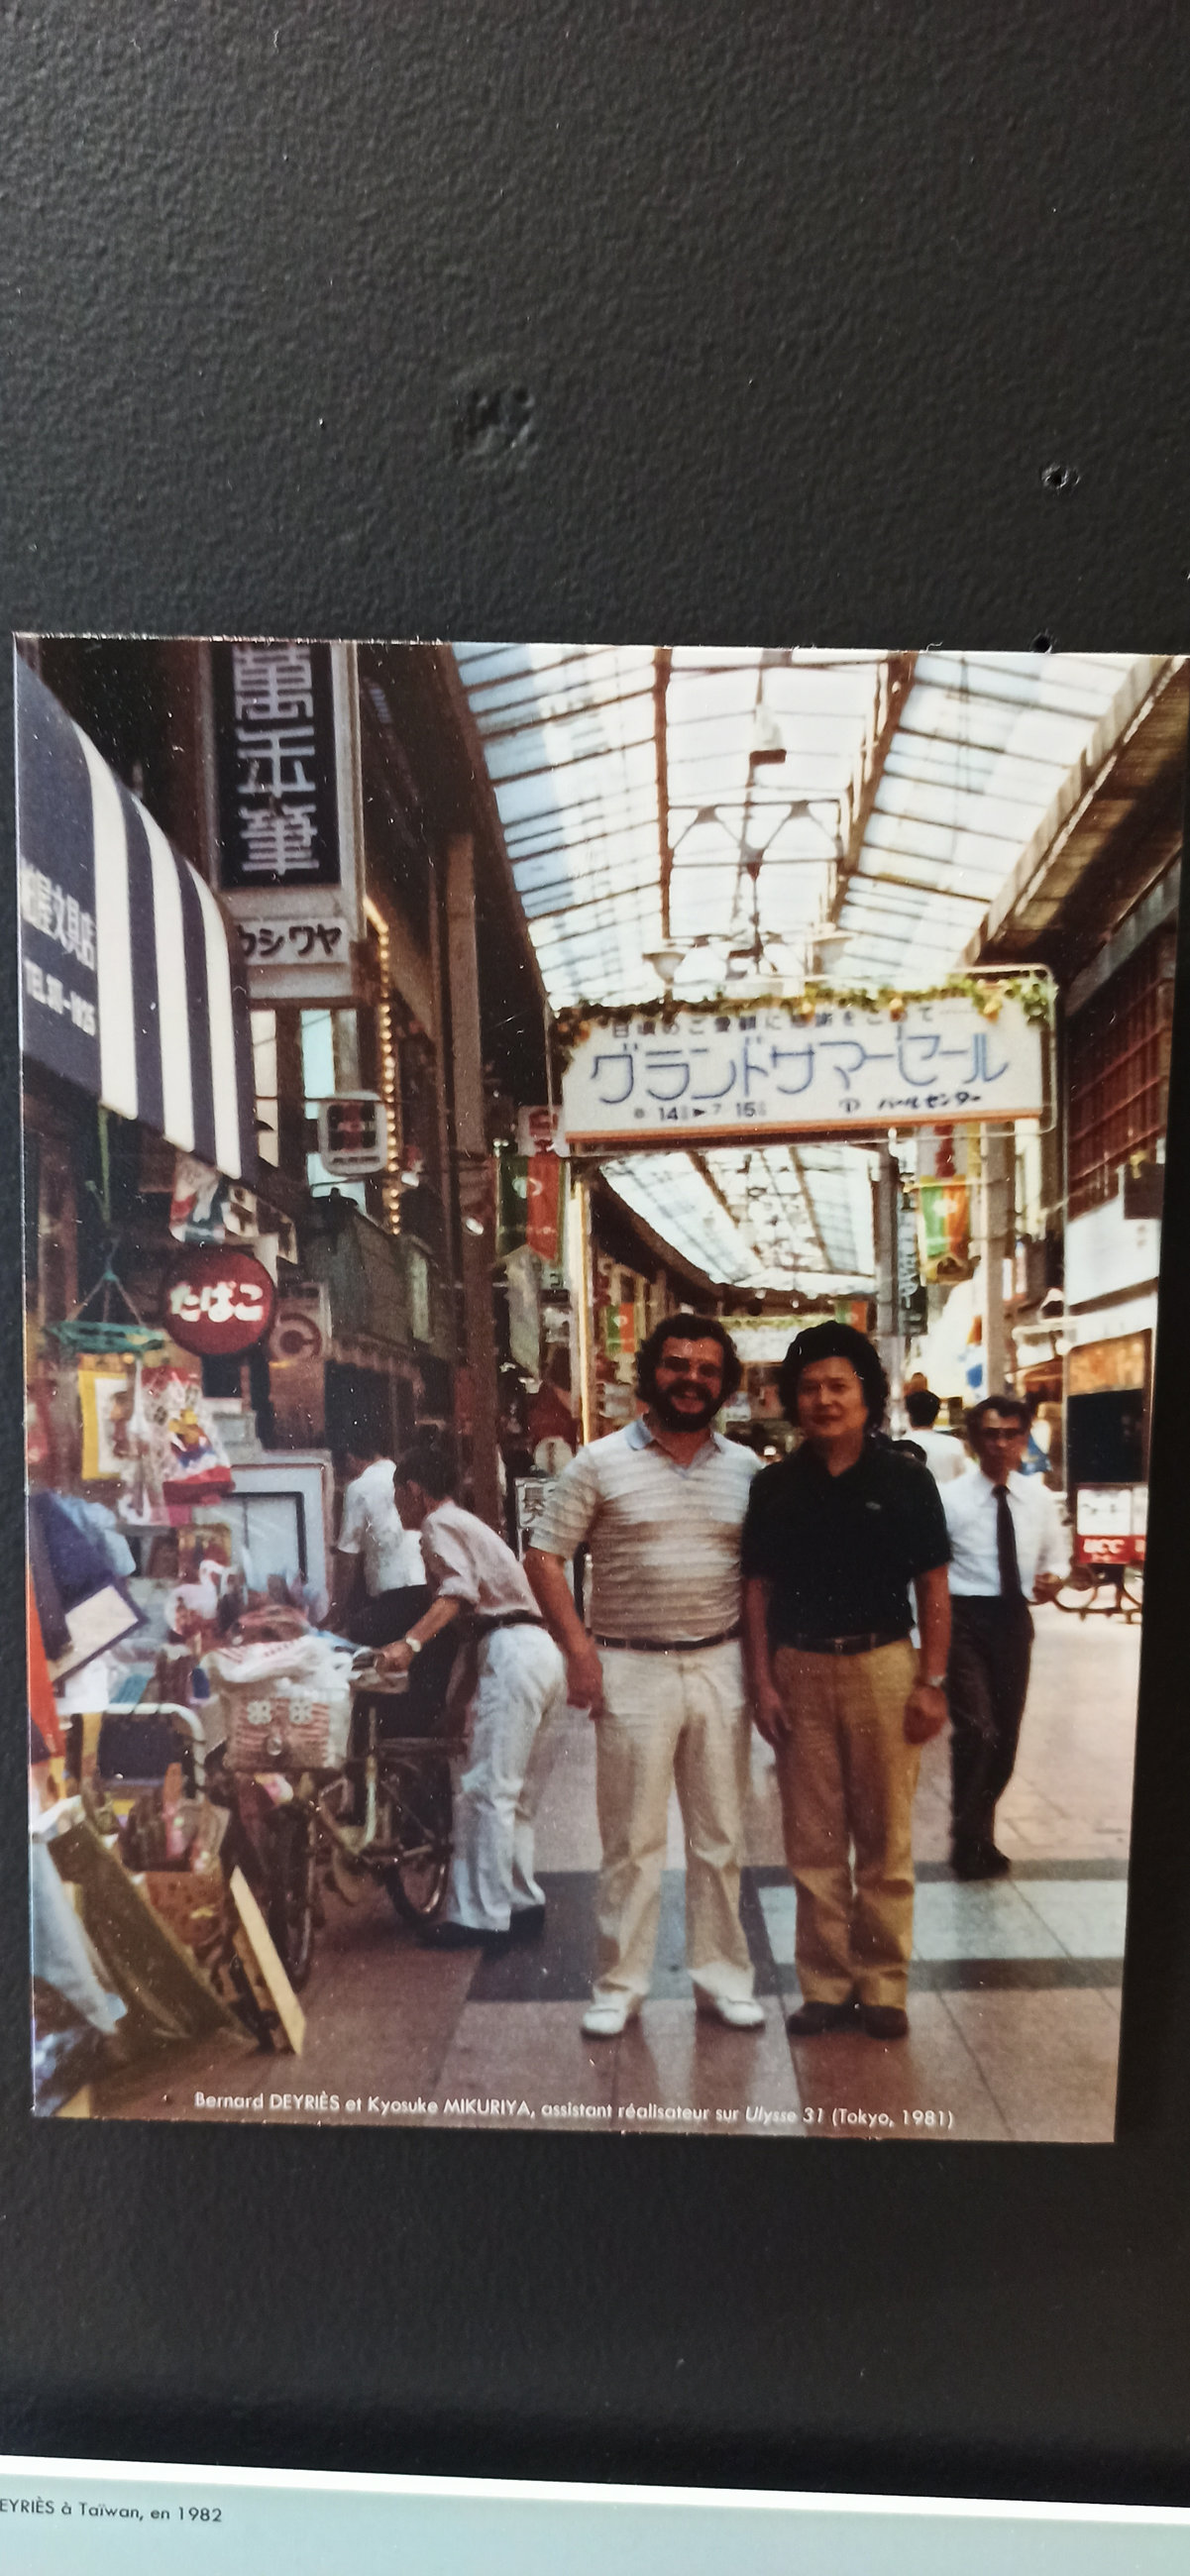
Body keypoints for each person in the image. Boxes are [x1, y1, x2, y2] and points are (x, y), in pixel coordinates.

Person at [524, 1314, 765, 2039]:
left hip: (721, 1662)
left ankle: (722, 1980)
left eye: (707, 1370)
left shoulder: (746, 1470)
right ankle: (619, 1986)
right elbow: (544, 1556)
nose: (691, 1380)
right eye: (677, 1365)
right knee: (630, 1839)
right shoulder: (598, 1463)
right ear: (650, 1373)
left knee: (721, 1835)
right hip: (630, 1665)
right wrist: (579, 1650)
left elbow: (761, 1577)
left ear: (724, 1385)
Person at [741, 1322, 951, 2043]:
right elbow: (757, 1591)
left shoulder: (906, 1479)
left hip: (883, 1665)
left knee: (886, 1835)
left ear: (867, 1396)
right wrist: (762, 1683)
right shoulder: (774, 1486)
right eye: (809, 1388)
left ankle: (884, 1984)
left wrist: (932, 1680)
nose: (824, 1400)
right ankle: (826, 1986)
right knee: (813, 1838)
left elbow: (933, 1585)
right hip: (798, 1669)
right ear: (792, 1400)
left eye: (839, 1386)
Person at [376, 1435, 566, 1950]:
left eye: (397, 1495)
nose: (396, 1506)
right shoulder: (465, 1524)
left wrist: (409, 1643)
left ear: (414, 1490)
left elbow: (459, 1595)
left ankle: (481, 1918)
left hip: (512, 1652)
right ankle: (521, 1903)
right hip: (536, 1652)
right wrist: (460, 1703)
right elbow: (474, 1632)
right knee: (513, 1795)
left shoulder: (438, 1525)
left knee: (486, 1790)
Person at [943, 1393, 1070, 1880]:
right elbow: (928, 1573)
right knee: (978, 1729)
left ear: (1024, 1438)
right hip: (963, 1621)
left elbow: (1057, 1556)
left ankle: (979, 1836)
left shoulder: (1038, 1498)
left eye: (1011, 1434)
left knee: (1006, 1739)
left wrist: (1054, 1577)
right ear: (974, 1440)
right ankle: (967, 1838)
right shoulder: (951, 1499)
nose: (1000, 1444)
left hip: (1013, 1622)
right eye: (991, 1434)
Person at [330, 1438, 426, 1648]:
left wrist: (336, 1609)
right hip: (424, 1589)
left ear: (350, 1459)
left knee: (353, 1634)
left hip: (394, 1596)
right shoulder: (401, 1475)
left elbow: (347, 1556)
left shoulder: (358, 1488)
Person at [904, 1386, 968, 1485]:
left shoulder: (901, 1444)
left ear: (908, 1414)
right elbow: (964, 1479)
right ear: (936, 1415)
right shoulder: (953, 1444)